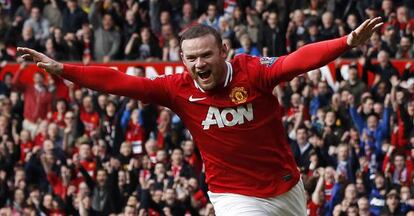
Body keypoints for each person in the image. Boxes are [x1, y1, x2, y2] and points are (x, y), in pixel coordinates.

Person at [18, 17, 383, 215]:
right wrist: (62, 68)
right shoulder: (175, 88)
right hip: (233, 195)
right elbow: (118, 81)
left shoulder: (253, 72)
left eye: (205, 55)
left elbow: (297, 60)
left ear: (223, 50)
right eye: (190, 58)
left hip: (287, 186)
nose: (198, 64)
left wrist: (346, 43)